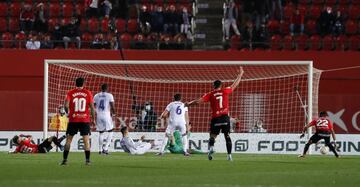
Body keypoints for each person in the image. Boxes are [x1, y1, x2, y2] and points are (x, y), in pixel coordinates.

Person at [186, 67, 244, 161]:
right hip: (225, 117)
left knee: (212, 136)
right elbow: (234, 85)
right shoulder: (225, 91)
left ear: (213, 86)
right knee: (227, 136)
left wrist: (188, 104)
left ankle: (212, 148)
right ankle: (229, 156)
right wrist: (240, 74)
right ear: (221, 85)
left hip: (215, 118)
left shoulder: (210, 94)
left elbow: (198, 101)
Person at [61, 77, 95, 165]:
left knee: (68, 140)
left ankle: (65, 160)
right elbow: (92, 107)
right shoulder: (88, 93)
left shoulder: (70, 92)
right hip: (84, 119)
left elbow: (66, 105)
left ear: (75, 83)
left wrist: (68, 113)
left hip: (73, 119)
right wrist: (93, 119)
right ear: (83, 84)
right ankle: (87, 161)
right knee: (86, 140)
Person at [93, 83, 116, 155]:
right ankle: (105, 148)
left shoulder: (96, 95)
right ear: (107, 88)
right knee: (111, 131)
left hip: (99, 115)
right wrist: (114, 113)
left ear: (101, 88)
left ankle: (100, 150)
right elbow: (112, 106)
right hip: (106, 115)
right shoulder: (109, 95)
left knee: (101, 132)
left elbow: (93, 106)